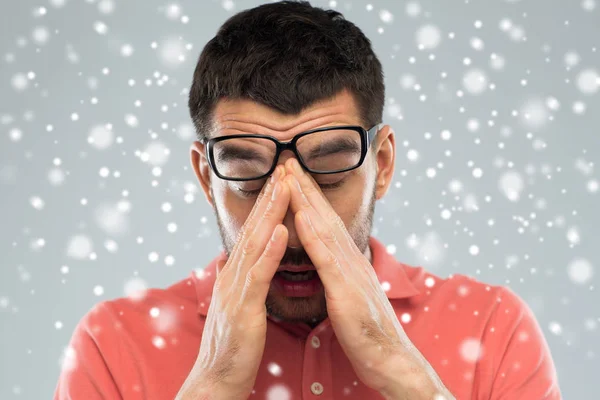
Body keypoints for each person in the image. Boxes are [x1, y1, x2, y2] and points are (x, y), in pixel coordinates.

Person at [54, 1, 562, 399]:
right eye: (249, 174)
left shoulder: (493, 327)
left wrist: (401, 371)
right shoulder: (113, 343)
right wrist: (215, 380)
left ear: (381, 164)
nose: (296, 225)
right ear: (207, 177)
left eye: (329, 168)